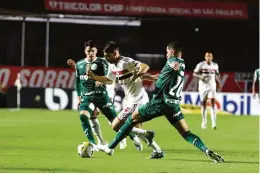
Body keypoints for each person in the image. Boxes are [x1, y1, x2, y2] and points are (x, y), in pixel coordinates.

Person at [100, 41, 225, 163]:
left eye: (167, 52)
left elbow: (171, 65)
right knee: (186, 133)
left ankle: (110, 147)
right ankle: (206, 150)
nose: (166, 54)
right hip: (174, 104)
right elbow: (164, 75)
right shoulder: (183, 64)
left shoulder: (172, 61)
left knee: (130, 120)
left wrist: (146, 72)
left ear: (173, 52)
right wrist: (146, 77)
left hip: (160, 102)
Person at [88, 41, 164, 159]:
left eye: (108, 56)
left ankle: (113, 147)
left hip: (137, 100)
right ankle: (157, 150)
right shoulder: (112, 65)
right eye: (105, 56)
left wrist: (138, 74)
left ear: (115, 54)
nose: (106, 58)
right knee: (136, 128)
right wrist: (94, 77)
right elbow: (109, 80)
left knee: (116, 125)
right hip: (130, 100)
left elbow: (145, 66)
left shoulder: (126, 62)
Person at [193, 52, 221, 130]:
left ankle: (214, 124)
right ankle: (204, 122)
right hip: (203, 87)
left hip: (212, 86)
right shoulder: (201, 65)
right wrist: (201, 76)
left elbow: (217, 74)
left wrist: (219, 83)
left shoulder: (215, 65)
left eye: (210, 56)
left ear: (212, 57)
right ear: (205, 57)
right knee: (203, 104)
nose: (208, 57)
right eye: (207, 56)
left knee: (212, 103)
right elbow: (194, 73)